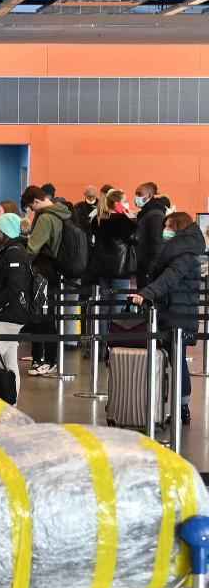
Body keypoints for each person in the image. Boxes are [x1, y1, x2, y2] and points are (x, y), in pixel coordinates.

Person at [129, 211, 204, 424]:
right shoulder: (179, 252)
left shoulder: (184, 255)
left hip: (177, 315)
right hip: (173, 312)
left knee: (178, 361)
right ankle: (177, 406)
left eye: (168, 227)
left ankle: (182, 407)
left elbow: (169, 279)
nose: (164, 231)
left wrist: (146, 293)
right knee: (174, 359)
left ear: (178, 228)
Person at [20, 185, 72, 377]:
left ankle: (48, 360)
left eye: (31, 208)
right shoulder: (62, 213)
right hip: (55, 270)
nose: (32, 211)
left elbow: (33, 248)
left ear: (35, 201)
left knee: (42, 317)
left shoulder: (45, 217)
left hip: (43, 271)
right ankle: (47, 359)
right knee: (48, 315)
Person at [0, 212, 32, 393]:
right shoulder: (9, 250)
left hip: (9, 315)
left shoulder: (13, 253)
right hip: (12, 314)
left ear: (4, 231)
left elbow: (15, 287)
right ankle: (12, 401)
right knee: (9, 361)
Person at [90, 188, 137, 319]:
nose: (127, 203)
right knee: (118, 305)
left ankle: (101, 337)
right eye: (125, 201)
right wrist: (132, 219)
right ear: (117, 203)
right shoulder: (123, 220)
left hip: (101, 268)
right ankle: (112, 337)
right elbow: (135, 239)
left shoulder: (97, 219)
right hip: (120, 269)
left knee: (103, 306)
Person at [134, 182, 171, 290]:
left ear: (149, 195)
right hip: (144, 266)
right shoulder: (146, 213)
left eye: (139, 194)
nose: (136, 197)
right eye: (136, 194)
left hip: (149, 269)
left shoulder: (155, 214)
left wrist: (150, 269)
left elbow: (157, 242)